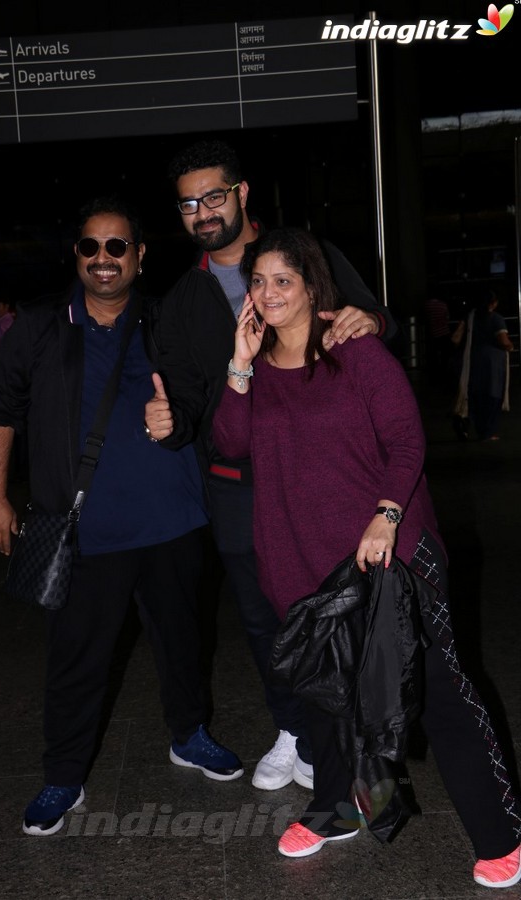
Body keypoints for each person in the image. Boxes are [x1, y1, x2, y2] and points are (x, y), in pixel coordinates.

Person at [211, 226, 521, 889]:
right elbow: (230, 445)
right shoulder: (256, 367)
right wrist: (239, 362)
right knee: (329, 699)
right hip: (298, 563)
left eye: (282, 281)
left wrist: (386, 516)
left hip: (390, 556)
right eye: (257, 282)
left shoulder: (357, 353)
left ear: (312, 284)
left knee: (439, 692)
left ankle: (501, 832)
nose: (267, 294)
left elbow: (407, 441)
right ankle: (342, 809)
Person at [0, 195, 243, 838]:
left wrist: (176, 419)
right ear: (77, 255)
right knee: (77, 658)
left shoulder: (165, 322)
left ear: (140, 255)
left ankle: (189, 734)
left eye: (118, 246)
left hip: (173, 521)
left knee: (183, 641)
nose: (105, 259)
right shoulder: (37, 328)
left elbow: (204, 395)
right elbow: (0, 409)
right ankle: (62, 775)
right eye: (92, 247)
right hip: (84, 532)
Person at [144, 139, 400, 792]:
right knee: (264, 618)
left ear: (243, 193)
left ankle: (353, 729)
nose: (202, 212)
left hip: (325, 476)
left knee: (338, 606)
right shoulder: (180, 303)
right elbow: (185, 407)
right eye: (188, 204)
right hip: (239, 491)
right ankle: (295, 727)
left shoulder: (305, 257)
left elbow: (376, 317)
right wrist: (168, 427)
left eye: (213, 196)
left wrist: (365, 319)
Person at [454, 289, 514, 441]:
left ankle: (477, 428)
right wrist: (510, 346)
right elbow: (503, 341)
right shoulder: (496, 319)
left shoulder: (471, 317)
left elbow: (456, 338)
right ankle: (488, 432)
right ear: (493, 303)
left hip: (474, 361)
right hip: (493, 364)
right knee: (493, 397)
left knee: (477, 396)